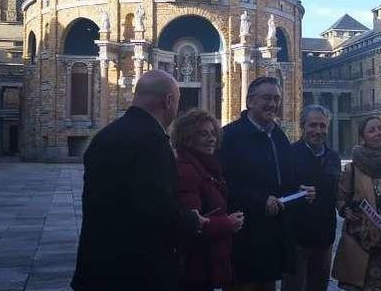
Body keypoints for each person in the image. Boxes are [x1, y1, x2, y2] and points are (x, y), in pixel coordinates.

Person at [72, 70, 203, 291]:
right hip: (138, 272)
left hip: (97, 265)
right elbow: (157, 208)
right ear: (169, 101)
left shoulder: (105, 135)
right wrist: (192, 220)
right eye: (177, 101)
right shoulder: (153, 141)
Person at [219, 77, 316, 291]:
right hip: (243, 238)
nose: (272, 104)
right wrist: (260, 200)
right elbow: (223, 184)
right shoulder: (229, 136)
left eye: (276, 99)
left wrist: (298, 192)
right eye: (266, 98)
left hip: (272, 237)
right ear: (250, 101)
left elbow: (285, 179)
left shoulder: (279, 136)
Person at [332, 116, 381, 291]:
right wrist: (345, 209)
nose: (378, 133)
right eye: (372, 130)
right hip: (362, 243)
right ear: (363, 137)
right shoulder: (352, 168)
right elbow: (340, 198)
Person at [172, 109, 245, 291]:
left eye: (213, 134)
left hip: (210, 260)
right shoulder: (186, 170)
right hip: (196, 265)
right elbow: (191, 222)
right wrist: (227, 223)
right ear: (188, 137)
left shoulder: (208, 166)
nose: (211, 139)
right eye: (203, 134)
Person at [282, 105, 342, 291]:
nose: (318, 131)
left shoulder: (333, 157)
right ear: (303, 127)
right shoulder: (288, 154)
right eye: (312, 125)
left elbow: (336, 194)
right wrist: (296, 192)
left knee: (319, 287)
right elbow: (279, 191)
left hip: (324, 238)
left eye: (322, 126)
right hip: (296, 240)